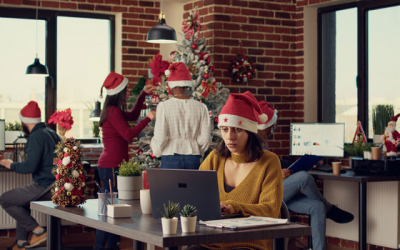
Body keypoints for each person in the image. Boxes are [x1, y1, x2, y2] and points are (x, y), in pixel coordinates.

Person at [187, 91, 283, 250]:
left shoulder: (269, 162)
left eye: (237, 129)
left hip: (249, 244)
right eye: (224, 129)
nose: (230, 136)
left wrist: (236, 206)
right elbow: (196, 199)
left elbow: (271, 210)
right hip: (210, 242)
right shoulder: (214, 158)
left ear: (250, 132)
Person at [257, 100, 354, 250]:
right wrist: (276, 175)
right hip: (265, 195)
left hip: (279, 193)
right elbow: (253, 174)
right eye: (271, 126)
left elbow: (271, 162)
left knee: (317, 206)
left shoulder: (262, 142)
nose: (273, 129)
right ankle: (330, 207)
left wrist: (293, 164)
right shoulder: (251, 143)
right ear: (262, 125)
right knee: (303, 177)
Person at [95, 72, 156, 250]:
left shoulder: (114, 111)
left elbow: (134, 115)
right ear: (119, 93)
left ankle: (111, 247)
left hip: (111, 166)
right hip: (111, 166)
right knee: (108, 212)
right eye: (127, 91)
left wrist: (143, 94)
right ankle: (102, 247)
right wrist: (149, 118)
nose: (129, 93)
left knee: (112, 211)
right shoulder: (113, 112)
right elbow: (128, 135)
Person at [0, 101, 61, 250]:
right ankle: (22, 242)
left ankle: (38, 231)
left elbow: (30, 166)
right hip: (57, 186)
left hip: (46, 187)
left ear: (25, 122)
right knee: (20, 200)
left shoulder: (35, 137)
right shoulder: (52, 133)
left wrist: (10, 164)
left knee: (6, 200)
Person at [150, 62, 211, 169]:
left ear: (171, 85)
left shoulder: (164, 106)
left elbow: (161, 137)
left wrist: (157, 151)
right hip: (193, 157)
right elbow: (205, 139)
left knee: (169, 186)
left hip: (170, 156)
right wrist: (197, 149)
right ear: (188, 85)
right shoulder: (201, 107)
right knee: (194, 186)